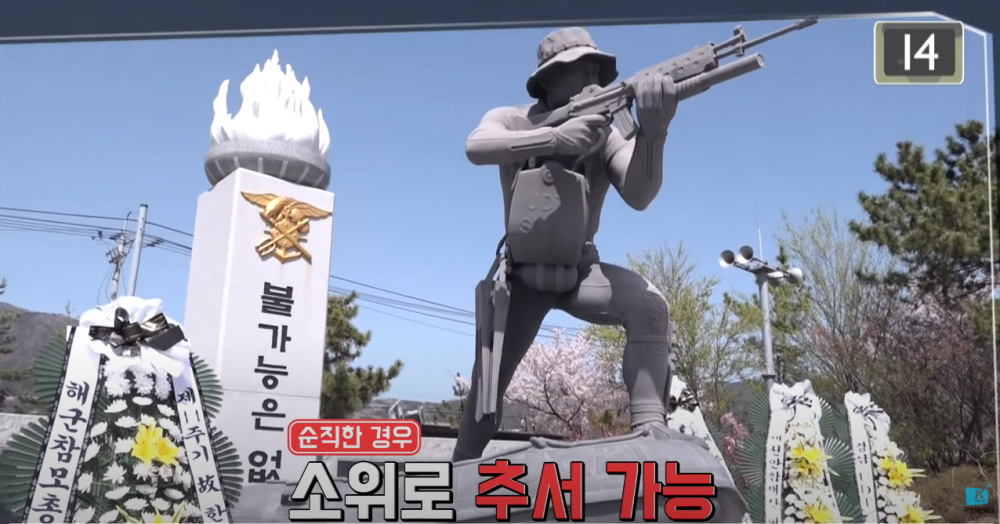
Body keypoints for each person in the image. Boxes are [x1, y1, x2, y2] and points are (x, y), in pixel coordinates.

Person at [453, 26, 683, 462]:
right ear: (550, 78)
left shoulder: (606, 131)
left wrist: (654, 134)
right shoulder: (512, 118)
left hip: (581, 272)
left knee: (650, 305)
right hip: (521, 277)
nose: (594, 77)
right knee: (487, 384)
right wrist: (555, 138)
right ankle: (460, 467)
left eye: (598, 68)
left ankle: (651, 427)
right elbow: (476, 145)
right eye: (583, 68)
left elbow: (639, 194)